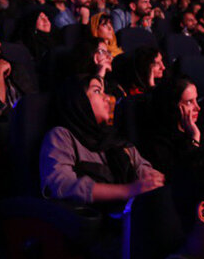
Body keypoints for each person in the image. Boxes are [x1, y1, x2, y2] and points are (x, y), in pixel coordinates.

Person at [39, 75, 164, 211]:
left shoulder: (114, 139)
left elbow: (141, 166)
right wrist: (128, 190)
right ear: (79, 100)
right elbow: (61, 185)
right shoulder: (62, 136)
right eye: (97, 91)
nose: (107, 98)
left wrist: (150, 177)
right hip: (92, 223)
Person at [142, 75, 204, 175]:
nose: (197, 107)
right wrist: (194, 138)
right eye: (189, 102)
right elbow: (187, 174)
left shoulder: (203, 124)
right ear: (172, 106)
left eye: (196, 100)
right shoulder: (158, 142)